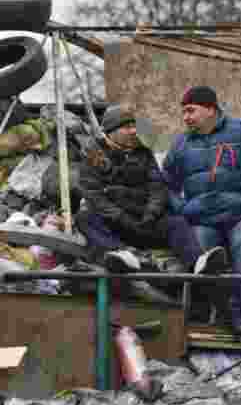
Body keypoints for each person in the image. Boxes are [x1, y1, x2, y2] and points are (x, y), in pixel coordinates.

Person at [159, 86, 241, 335]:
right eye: (183, 112)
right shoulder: (181, 143)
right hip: (202, 217)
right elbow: (164, 184)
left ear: (210, 109)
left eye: (191, 110)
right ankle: (222, 313)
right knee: (202, 259)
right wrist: (182, 208)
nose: (186, 117)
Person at [75, 104, 227, 277]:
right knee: (85, 218)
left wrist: (152, 212)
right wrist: (121, 217)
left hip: (145, 221)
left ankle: (198, 262)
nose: (133, 131)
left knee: (176, 223)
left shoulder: (143, 153)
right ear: (111, 131)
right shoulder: (93, 155)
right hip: (116, 224)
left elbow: (158, 186)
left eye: (134, 126)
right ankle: (119, 255)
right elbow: (94, 196)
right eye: (127, 127)